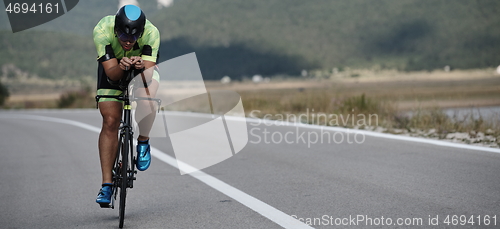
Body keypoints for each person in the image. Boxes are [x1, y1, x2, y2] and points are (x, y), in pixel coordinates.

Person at [93, 4, 160, 205]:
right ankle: (106, 185)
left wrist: (140, 67)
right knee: (111, 120)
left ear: (141, 32)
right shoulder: (102, 29)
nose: (128, 42)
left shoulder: (151, 33)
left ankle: (143, 141)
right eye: (123, 37)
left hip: (142, 71)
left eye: (133, 37)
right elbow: (112, 74)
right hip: (112, 69)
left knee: (147, 96)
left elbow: (148, 77)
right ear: (116, 30)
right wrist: (121, 67)